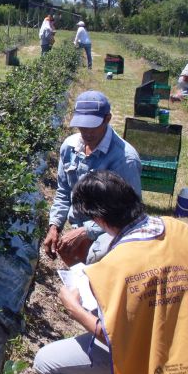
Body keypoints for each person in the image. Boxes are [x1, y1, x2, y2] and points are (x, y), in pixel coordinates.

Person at [34, 170, 188, 374]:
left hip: (151, 351)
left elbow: (113, 337)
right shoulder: (181, 230)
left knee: (45, 363)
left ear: (100, 219)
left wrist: (74, 308)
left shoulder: (116, 264)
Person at [43, 90, 141, 266]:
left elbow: (130, 215)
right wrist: (55, 226)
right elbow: (64, 191)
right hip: (80, 227)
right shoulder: (69, 147)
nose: (86, 132)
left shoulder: (124, 159)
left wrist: (86, 231)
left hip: (110, 233)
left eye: (92, 125)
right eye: (82, 125)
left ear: (107, 119)